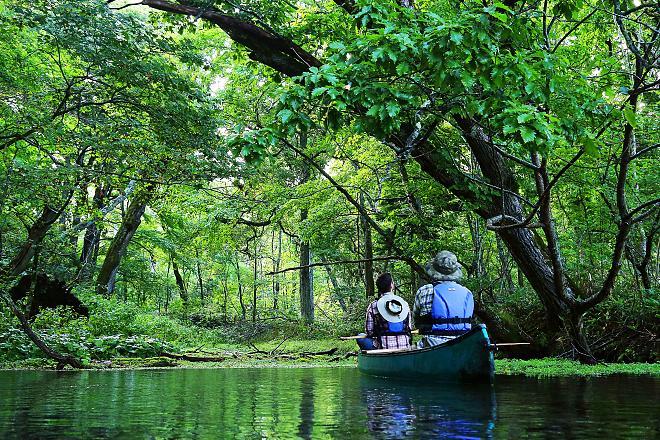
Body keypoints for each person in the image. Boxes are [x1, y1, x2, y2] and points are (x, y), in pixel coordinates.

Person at [413, 251, 474, 348]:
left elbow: (417, 320)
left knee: (414, 348)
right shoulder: (467, 293)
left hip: (432, 343)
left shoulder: (425, 290)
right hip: (463, 343)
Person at [357, 273, 412, 350]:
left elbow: (369, 332)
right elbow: (409, 327)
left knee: (360, 336)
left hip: (383, 348)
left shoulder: (373, 306)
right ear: (392, 285)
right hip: (405, 346)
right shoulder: (404, 304)